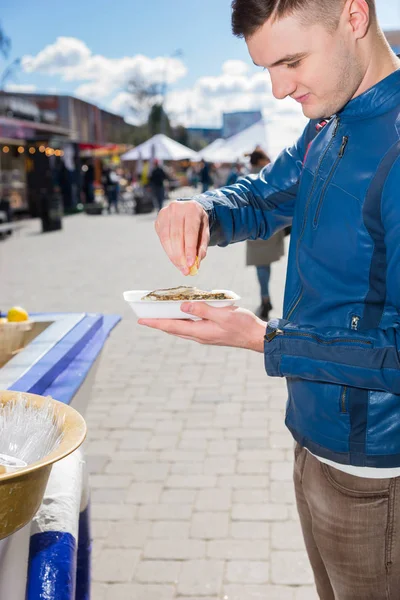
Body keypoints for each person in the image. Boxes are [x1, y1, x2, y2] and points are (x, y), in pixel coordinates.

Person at [140, 1, 400, 597]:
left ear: (354, 17)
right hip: (312, 440)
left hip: (378, 473)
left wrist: (261, 337)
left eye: (291, 61)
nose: (280, 89)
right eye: (267, 69)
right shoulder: (326, 123)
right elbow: (261, 197)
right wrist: (198, 208)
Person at [246, 147, 286, 320]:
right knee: (265, 265)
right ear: (260, 161)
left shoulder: (246, 178)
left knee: (261, 266)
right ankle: (265, 297)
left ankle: (265, 297)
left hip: (254, 227)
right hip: (272, 225)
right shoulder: (269, 176)